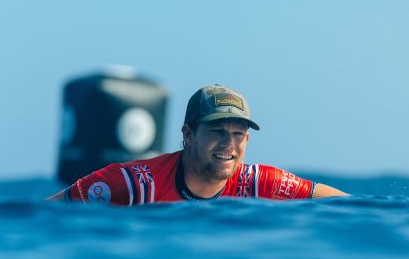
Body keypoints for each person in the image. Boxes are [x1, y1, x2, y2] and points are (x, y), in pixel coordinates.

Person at [48, 85, 347, 204]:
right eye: (217, 131)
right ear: (188, 134)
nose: (228, 145)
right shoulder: (133, 182)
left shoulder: (261, 183)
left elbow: (349, 206)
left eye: (238, 134)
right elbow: (47, 212)